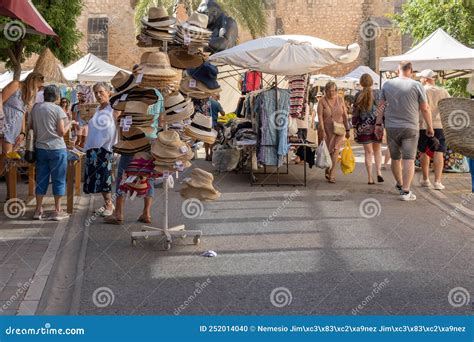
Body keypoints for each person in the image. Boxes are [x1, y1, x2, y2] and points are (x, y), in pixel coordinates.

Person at [375, 61, 434, 201]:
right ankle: (406, 191)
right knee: (409, 159)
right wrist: (430, 127)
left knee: (395, 158)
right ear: (411, 71)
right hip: (410, 128)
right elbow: (425, 108)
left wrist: (378, 124)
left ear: (397, 70)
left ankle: (400, 185)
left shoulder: (388, 85)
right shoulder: (417, 85)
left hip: (392, 127)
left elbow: (381, 106)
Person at [29, 85, 71, 220]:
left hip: (40, 148)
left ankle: (38, 210)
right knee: (58, 179)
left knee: (41, 179)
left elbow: (30, 127)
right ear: (57, 96)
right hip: (57, 148)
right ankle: (57, 210)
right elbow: (61, 132)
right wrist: (71, 123)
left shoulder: (35, 108)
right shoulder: (58, 109)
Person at [1, 72, 44, 199]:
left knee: (10, 163)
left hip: (16, 130)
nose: (37, 89)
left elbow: (23, 114)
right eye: (37, 86)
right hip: (6, 126)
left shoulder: (27, 95)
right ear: (32, 81)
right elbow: (1, 99)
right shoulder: (16, 84)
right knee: (6, 160)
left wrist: (22, 133)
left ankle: (10, 195)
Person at [83, 83, 117, 216]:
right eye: (95, 92)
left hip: (105, 148)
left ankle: (109, 205)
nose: (98, 95)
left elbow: (118, 125)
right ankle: (107, 203)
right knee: (96, 179)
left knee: (104, 177)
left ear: (108, 92)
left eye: (101, 92)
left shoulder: (113, 108)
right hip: (93, 147)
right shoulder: (97, 109)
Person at [416, 69, 450, 190]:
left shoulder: (421, 90)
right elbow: (448, 108)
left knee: (424, 151)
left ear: (426, 79)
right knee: (439, 152)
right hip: (439, 125)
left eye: (421, 78)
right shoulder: (444, 91)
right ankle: (437, 182)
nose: (420, 79)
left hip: (423, 125)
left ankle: (425, 179)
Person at [352, 74, 384, 184]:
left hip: (363, 126)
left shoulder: (358, 95)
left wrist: (354, 126)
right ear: (371, 82)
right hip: (377, 125)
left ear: (361, 83)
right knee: (377, 150)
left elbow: (355, 113)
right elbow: (382, 109)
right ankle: (379, 172)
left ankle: (370, 178)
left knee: (368, 152)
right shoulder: (378, 93)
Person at [318, 81, 350, 183]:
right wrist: (322, 130)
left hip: (339, 130)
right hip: (327, 130)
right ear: (325, 91)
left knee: (336, 151)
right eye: (329, 91)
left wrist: (348, 129)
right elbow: (320, 117)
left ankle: (332, 173)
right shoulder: (322, 101)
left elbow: (345, 115)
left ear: (336, 91)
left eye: (333, 91)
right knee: (328, 151)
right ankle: (328, 168)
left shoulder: (340, 100)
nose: (331, 93)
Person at [205, 93, 225, 161]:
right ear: (216, 97)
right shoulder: (216, 103)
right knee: (211, 139)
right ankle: (211, 155)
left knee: (206, 139)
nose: (218, 99)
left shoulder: (206, 102)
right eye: (218, 98)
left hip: (205, 123)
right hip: (213, 123)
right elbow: (223, 113)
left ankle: (206, 155)